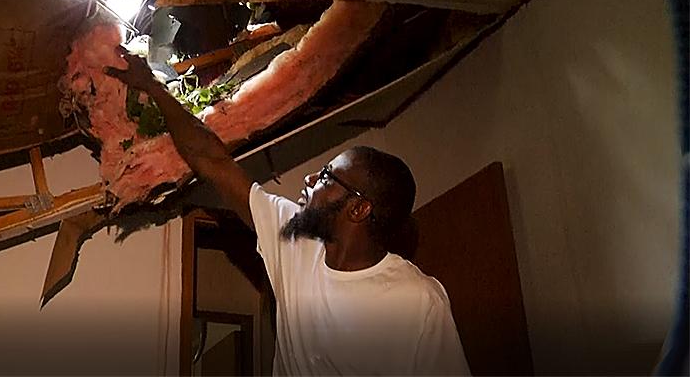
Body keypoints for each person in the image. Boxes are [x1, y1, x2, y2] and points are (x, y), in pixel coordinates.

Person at [105, 49, 470, 376]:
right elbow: (212, 160)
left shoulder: (417, 302)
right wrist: (152, 87)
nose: (312, 178)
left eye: (328, 177)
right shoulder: (294, 239)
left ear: (358, 208)